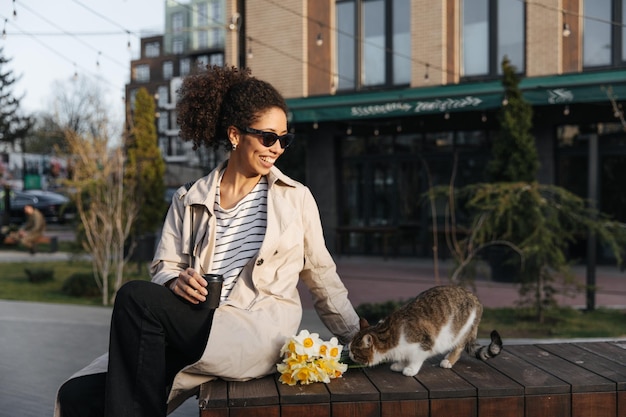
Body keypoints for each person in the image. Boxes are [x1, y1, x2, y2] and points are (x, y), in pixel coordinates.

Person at [55, 66, 361, 417]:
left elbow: (322, 277)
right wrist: (175, 280)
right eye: (268, 137)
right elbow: (164, 267)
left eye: (284, 139)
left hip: (255, 332)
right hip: (196, 324)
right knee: (79, 396)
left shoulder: (295, 198)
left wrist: (360, 337)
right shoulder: (188, 199)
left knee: (133, 298)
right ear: (235, 135)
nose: (277, 148)